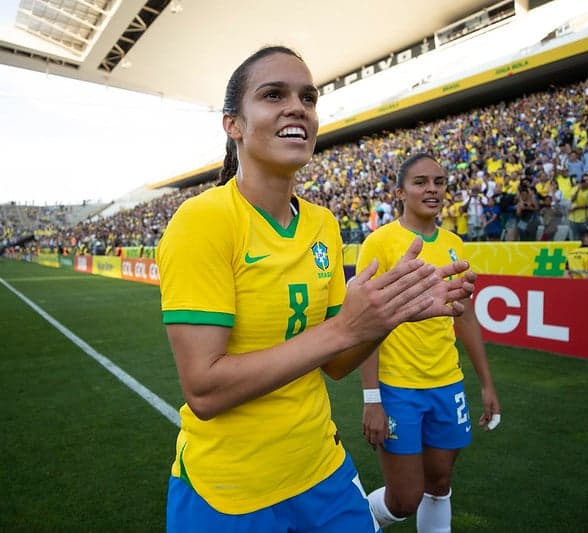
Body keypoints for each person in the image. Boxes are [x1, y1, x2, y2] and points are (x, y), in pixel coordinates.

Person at [156, 47, 475, 533]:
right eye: (273, 94)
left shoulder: (323, 224)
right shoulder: (203, 220)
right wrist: (345, 327)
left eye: (308, 97)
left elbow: (337, 362)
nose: (297, 107)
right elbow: (205, 389)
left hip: (321, 469)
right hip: (230, 491)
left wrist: (386, 316)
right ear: (233, 125)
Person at [357, 153, 501, 532]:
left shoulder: (454, 243)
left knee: (439, 485)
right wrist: (372, 398)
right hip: (398, 388)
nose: (432, 189)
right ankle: (354, 515)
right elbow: (364, 325)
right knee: (404, 498)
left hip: (447, 384)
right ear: (400, 192)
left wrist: (486, 383)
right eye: (421, 182)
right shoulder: (380, 242)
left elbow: (465, 315)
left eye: (439, 182)